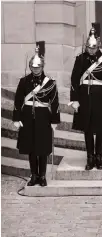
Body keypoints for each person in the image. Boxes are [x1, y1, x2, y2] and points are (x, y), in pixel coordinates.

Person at [70, 23, 102, 170]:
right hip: (85, 96)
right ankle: (90, 157)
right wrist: (74, 99)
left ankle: (99, 157)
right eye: (89, 48)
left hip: (101, 96)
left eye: (94, 47)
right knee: (88, 129)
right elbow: (74, 79)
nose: (91, 50)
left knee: (100, 128)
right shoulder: (80, 59)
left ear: (98, 45)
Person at [12, 41, 61, 187]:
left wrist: (54, 120)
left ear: (42, 66)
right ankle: (34, 175)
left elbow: (54, 102)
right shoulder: (24, 82)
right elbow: (18, 100)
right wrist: (16, 118)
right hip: (27, 117)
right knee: (31, 148)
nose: (35, 69)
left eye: (38, 67)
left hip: (43, 117)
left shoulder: (50, 83)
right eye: (33, 67)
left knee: (43, 148)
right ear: (30, 67)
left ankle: (43, 176)